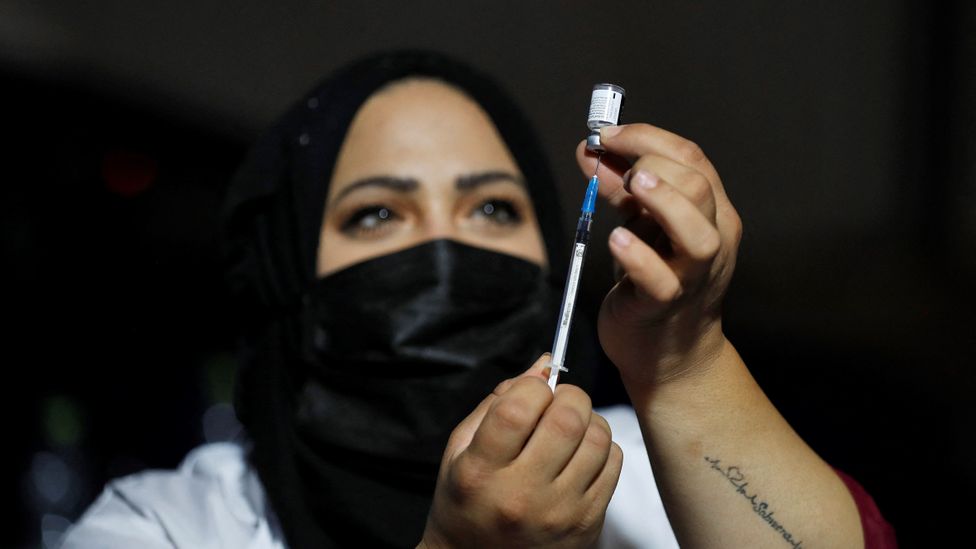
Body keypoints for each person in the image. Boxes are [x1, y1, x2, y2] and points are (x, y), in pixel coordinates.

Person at [62, 51, 895, 548]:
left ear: (549, 250)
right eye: (379, 213)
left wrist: (686, 361)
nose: (445, 248)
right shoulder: (168, 526)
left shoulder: (647, 475)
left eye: (492, 207)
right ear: (291, 277)